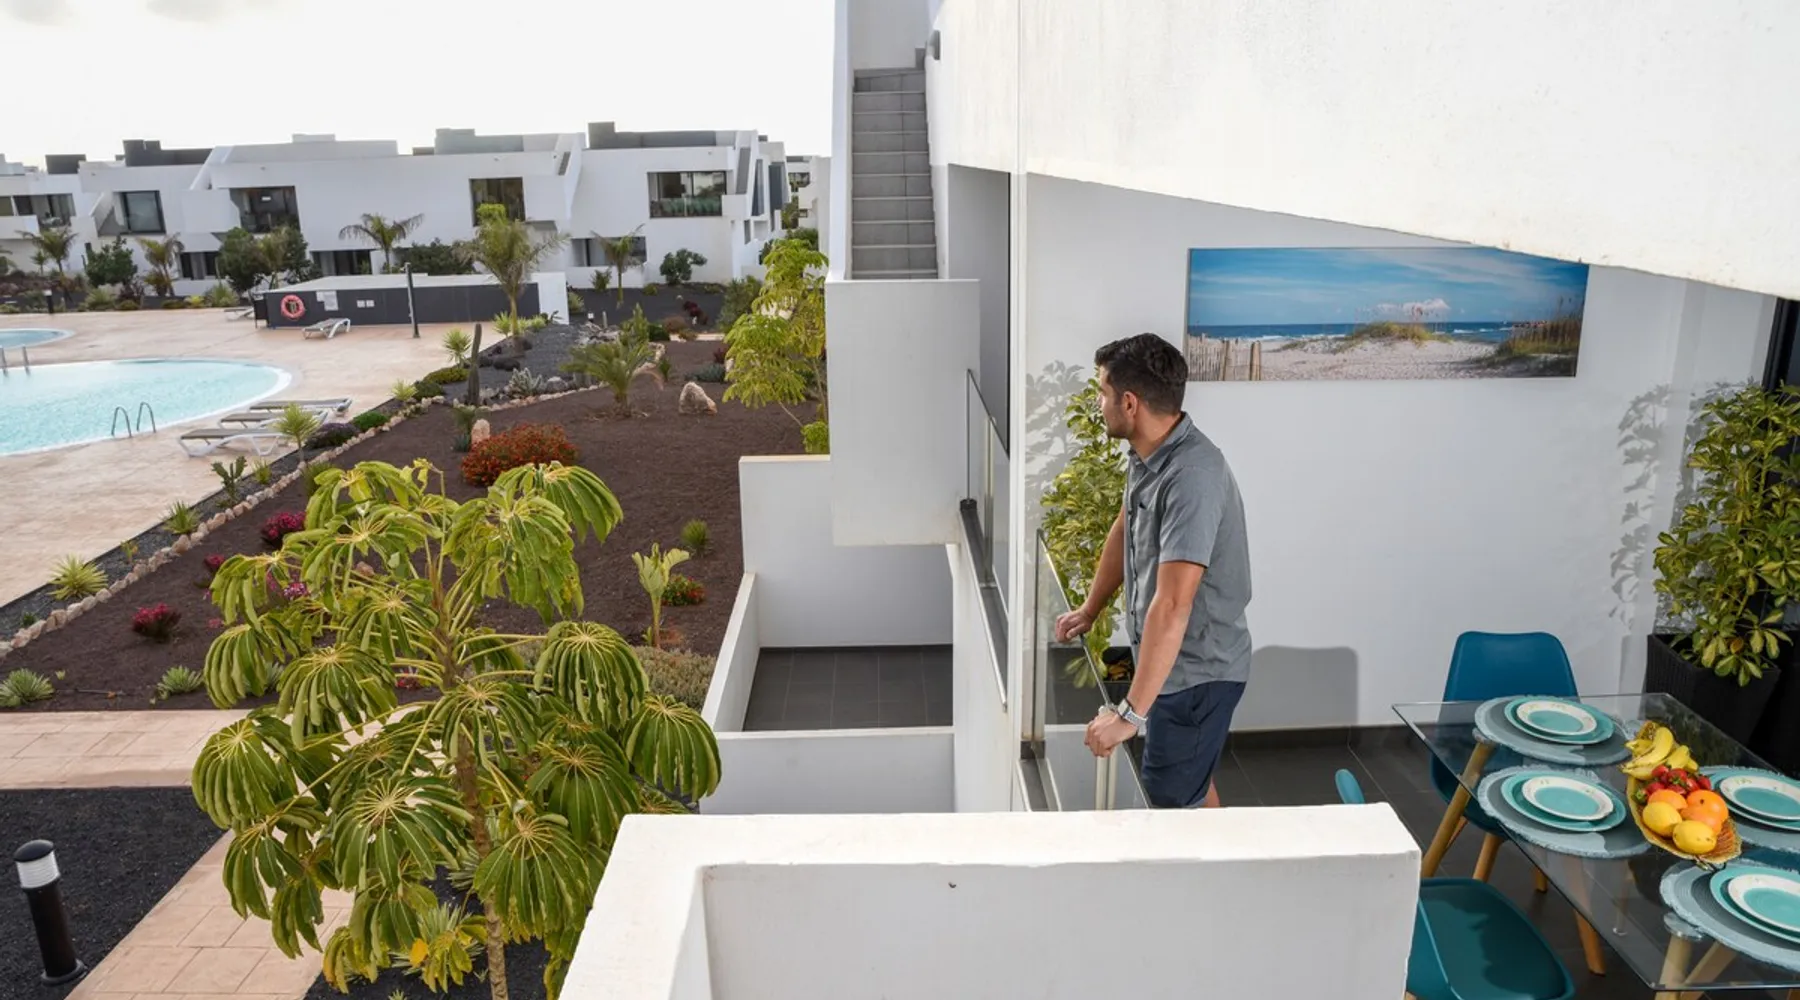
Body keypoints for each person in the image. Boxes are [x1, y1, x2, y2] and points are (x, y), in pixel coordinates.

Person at [1053, 333, 1252, 809]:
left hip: (1196, 676)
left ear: (1129, 403)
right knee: (1190, 785)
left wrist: (1129, 715)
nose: (1098, 403)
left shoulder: (1192, 478)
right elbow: (1126, 525)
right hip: (1170, 665)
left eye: (1102, 393)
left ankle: (1206, 858)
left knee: (1169, 806)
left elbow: (1174, 603)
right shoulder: (1150, 454)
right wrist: (1091, 608)